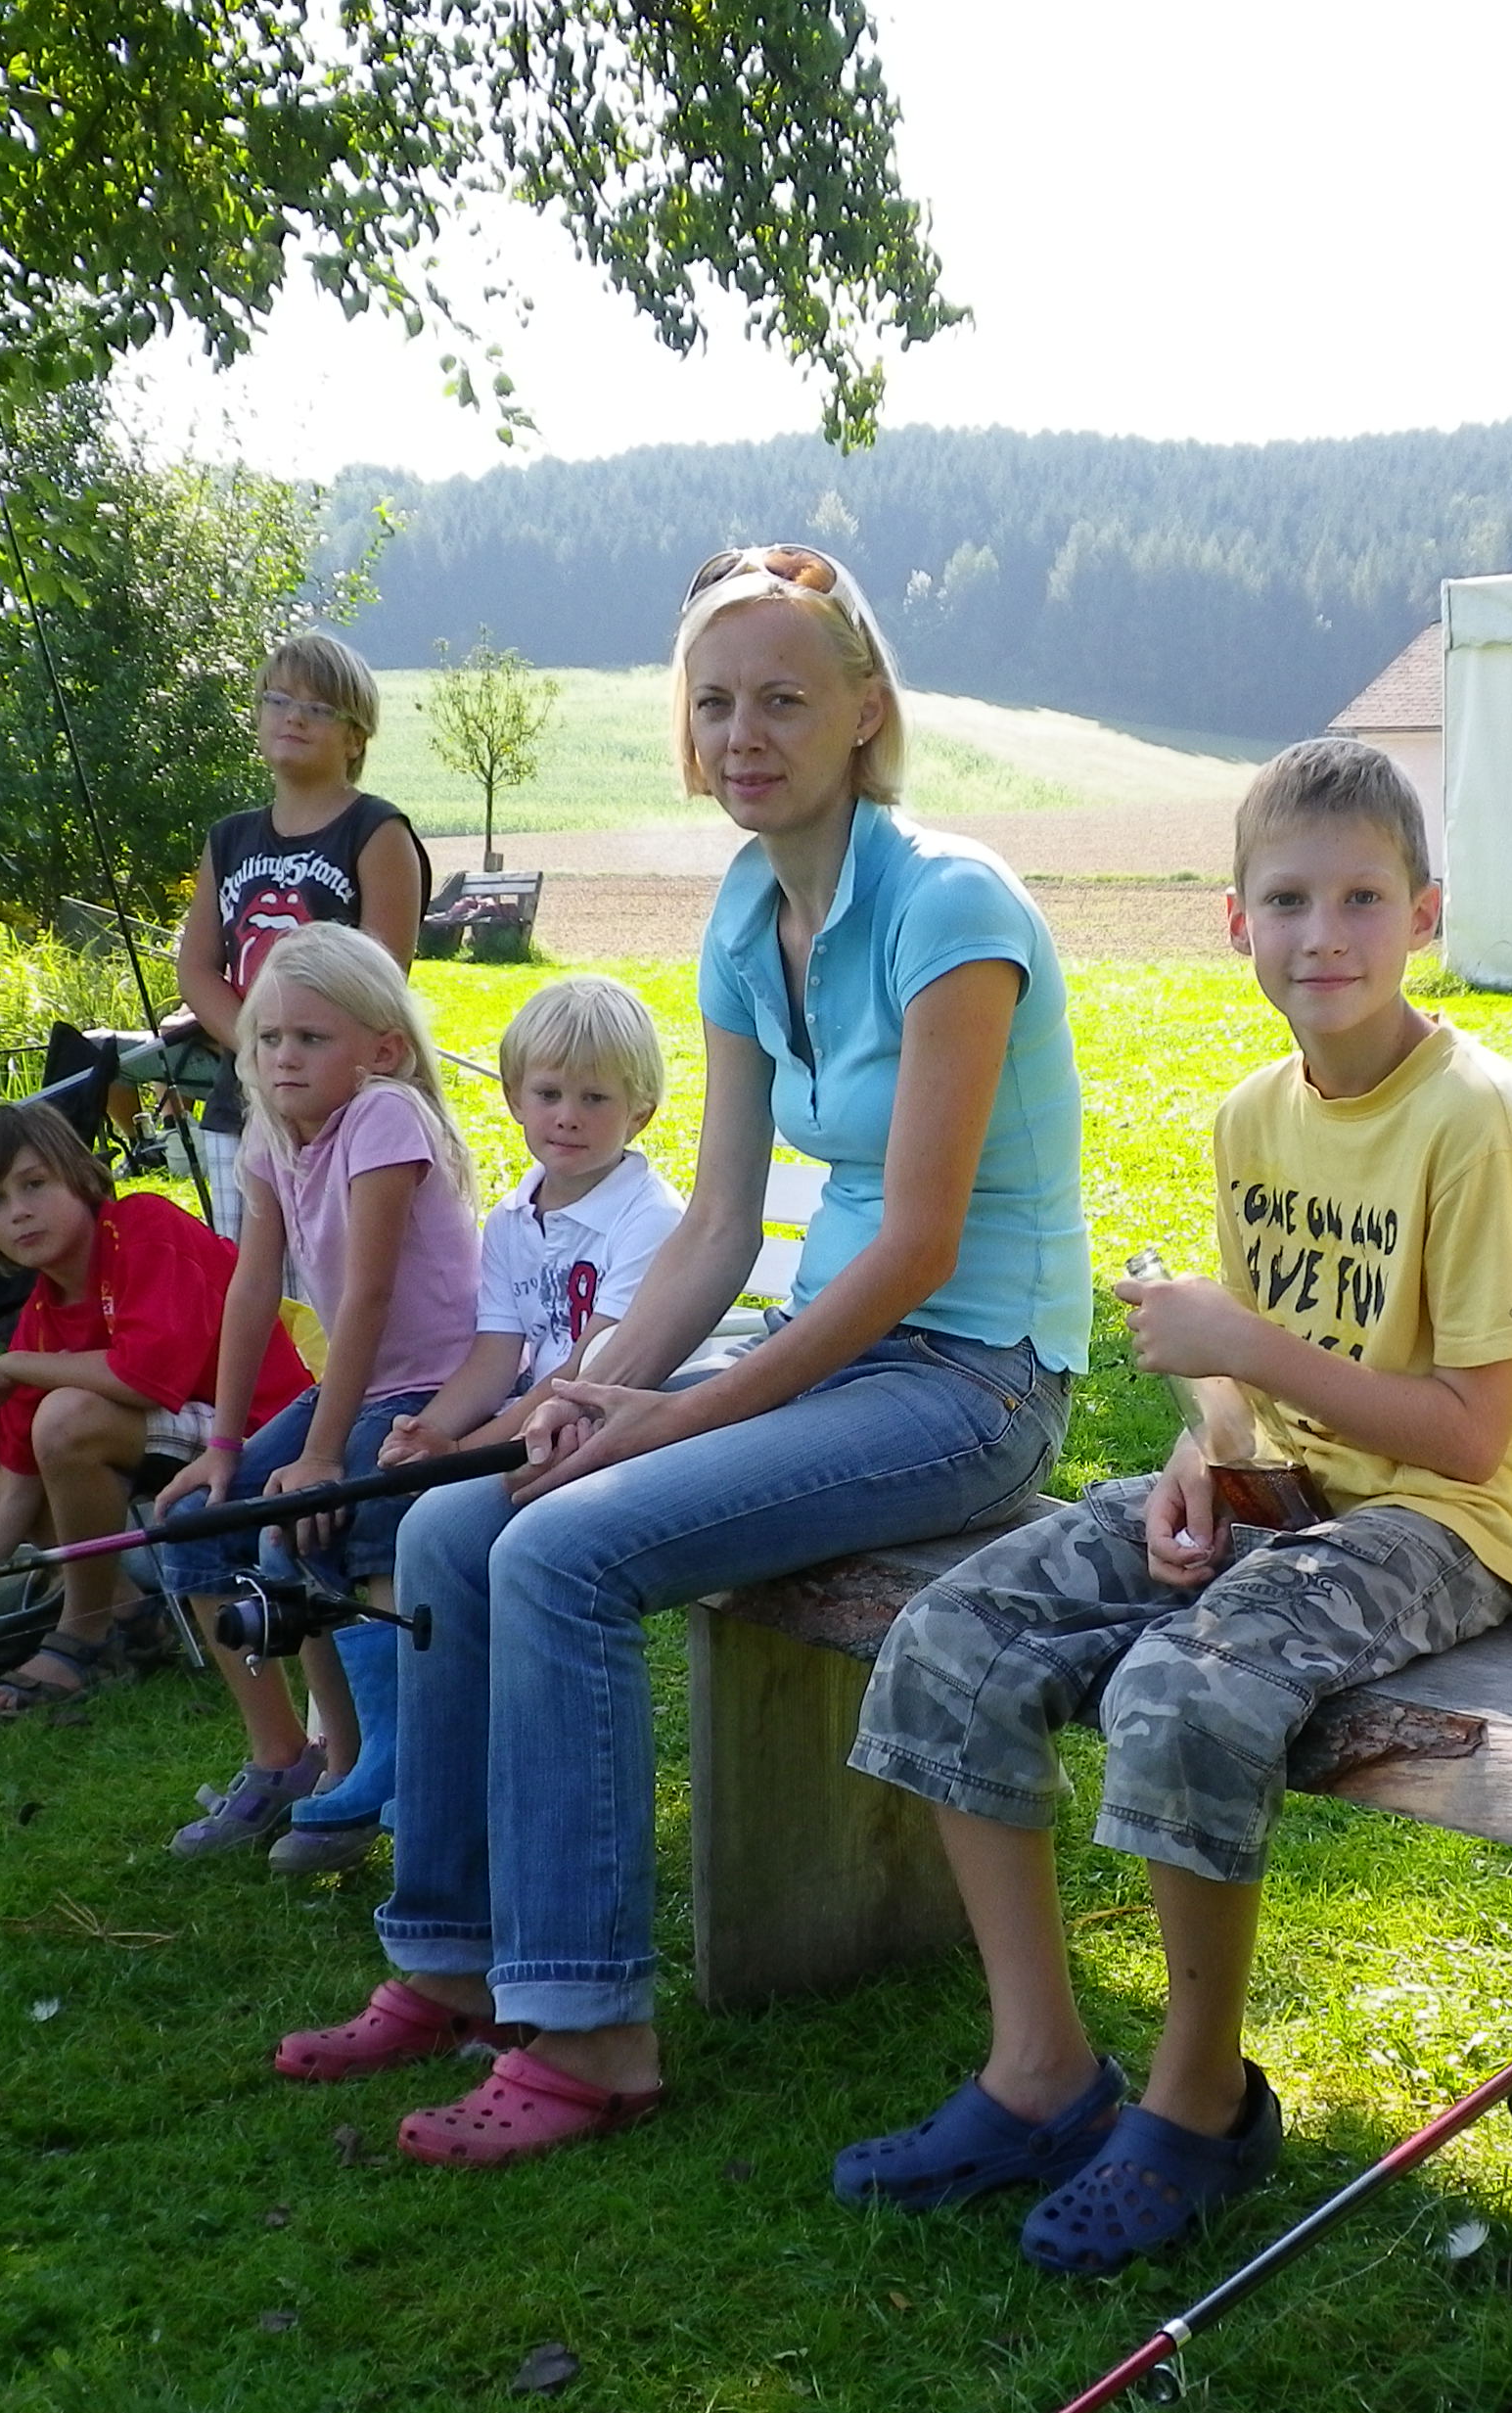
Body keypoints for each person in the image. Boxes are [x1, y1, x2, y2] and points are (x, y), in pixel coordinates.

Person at [269, 542, 1084, 2165]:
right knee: (451, 1521)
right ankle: (453, 1964)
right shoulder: (744, 912)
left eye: (783, 699)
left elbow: (919, 1247)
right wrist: (593, 1387)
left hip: (971, 1376)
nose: (743, 734)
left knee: (565, 1551)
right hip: (832, 1354)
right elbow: (715, 1223)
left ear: (865, 710)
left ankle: (590, 2035)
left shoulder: (952, 905)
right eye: (714, 704)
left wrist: (669, 1417)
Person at [837, 738, 1512, 2272]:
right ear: (1237, 922)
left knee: (1181, 1691)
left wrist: (1241, 1345)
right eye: (1289, 901)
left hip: (1450, 1529)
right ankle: (1041, 2073)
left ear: (1424, 915)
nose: (1326, 936)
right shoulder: (1255, 1116)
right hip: (1290, 1494)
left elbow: (1470, 1436)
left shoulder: (1479, 1123)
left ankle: (1200, 2101)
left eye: (1363, 900)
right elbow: (1247, 1391)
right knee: (955, 1634)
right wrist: (1206, 1456)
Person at [153, 925, 482, 1872]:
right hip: (358, 1386)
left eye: (311, 1038)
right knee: (197, 1526)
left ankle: (380, 1759)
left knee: (339, 1513)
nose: (283, 1057)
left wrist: (324, 1455)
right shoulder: (271, 1131)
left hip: (436, 1385)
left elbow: (369, 1295)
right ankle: (286, 1758)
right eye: (268, 1038)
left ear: (382, 1049)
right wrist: (223, 1446)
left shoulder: (385, 1117)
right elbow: (253, 1288)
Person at [0, 1098, 300, 1720]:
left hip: (264, 1433)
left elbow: (145, 1376)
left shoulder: (144, 1226)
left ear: (80, 1178)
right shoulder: (44, 1312)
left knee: (64, 1418)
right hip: (178, 1442)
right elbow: (14, 1488)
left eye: (34, 1184)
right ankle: (126, 1607)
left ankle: (85, 1628)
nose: (18, 1212)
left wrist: (13, 1367)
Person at [172, 634, 433, 1233]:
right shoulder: (228, 839)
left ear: (355, 738)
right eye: (278, 700)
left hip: (347, 1110)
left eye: (318, 708)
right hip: (242, 1106)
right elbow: (196, 968)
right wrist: (260, 1050)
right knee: (245, 1268)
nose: (293, 716)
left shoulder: (377, 831)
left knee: (336, 1275)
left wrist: (304, 1053)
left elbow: (381, 981)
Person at [385, 977, 684, 1466]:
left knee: (438, 1505)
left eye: (594, 1098)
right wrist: (430, 1432)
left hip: (622, 1430)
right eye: (548, 1094)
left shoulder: (651, 1218)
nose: (567, 1116)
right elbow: (495, 1355)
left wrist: (460, 1454)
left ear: (639, 1115)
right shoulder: (510, 1221)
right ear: (515, 1100)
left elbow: (588, 1367)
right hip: (538, 1424)